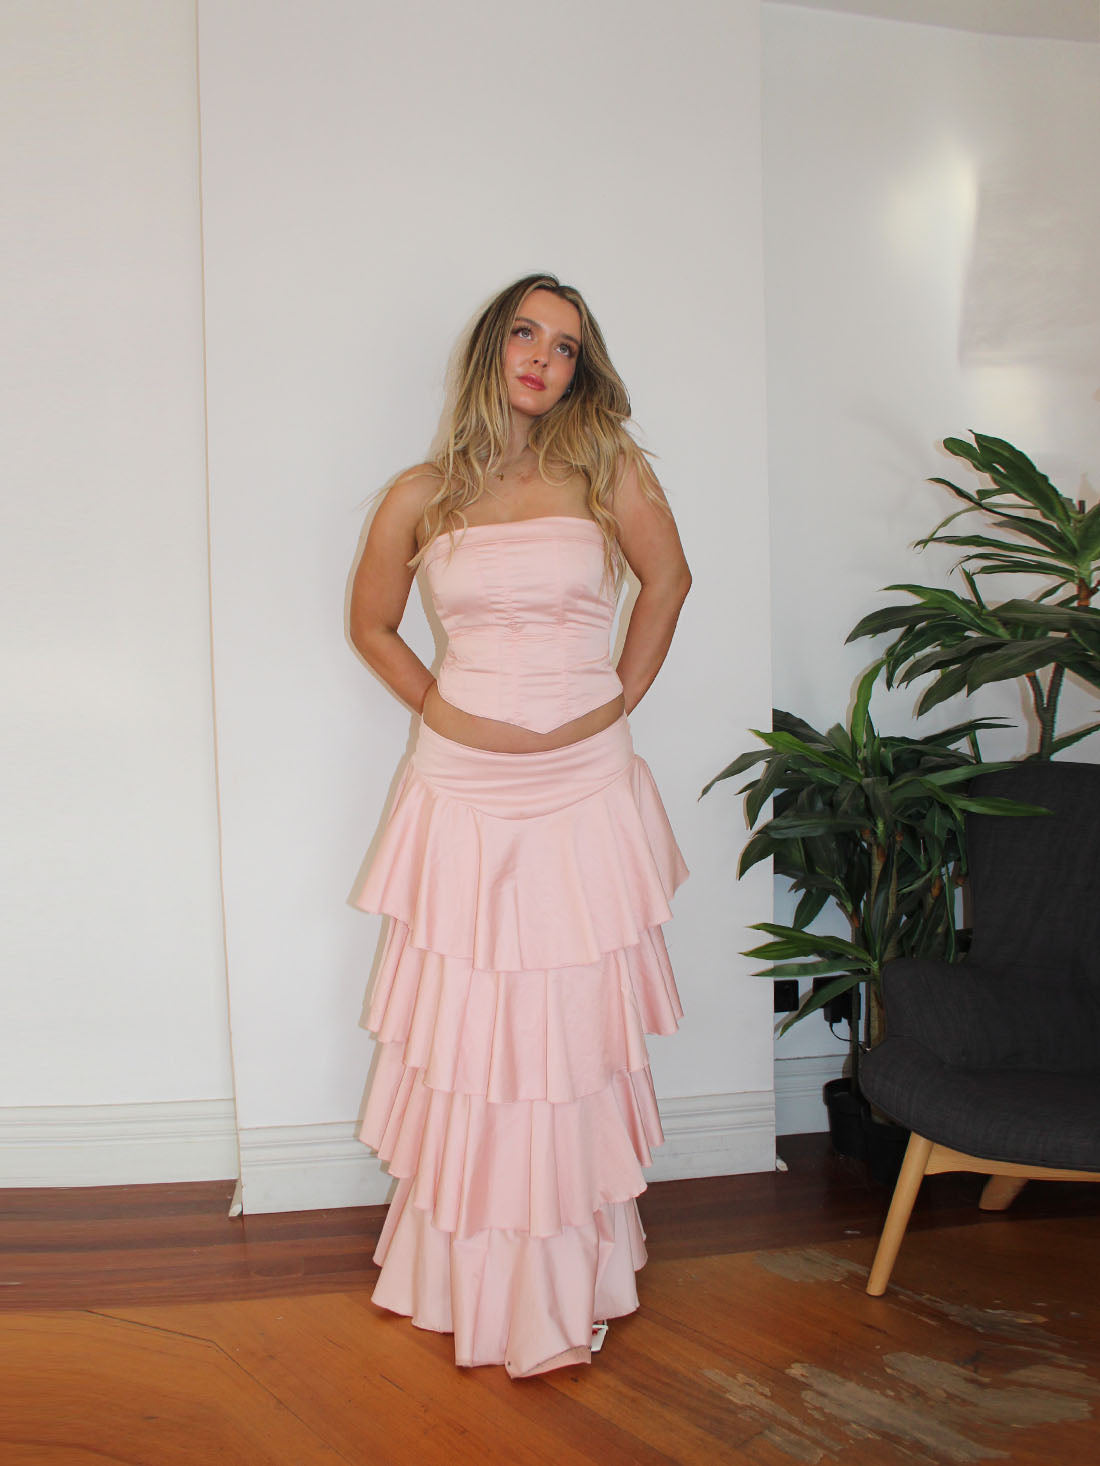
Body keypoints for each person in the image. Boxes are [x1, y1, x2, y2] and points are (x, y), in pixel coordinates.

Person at [348, 273, 691, 1378]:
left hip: (583, 778)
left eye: (566, 345)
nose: (543, 356)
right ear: (491, 348)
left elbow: (669, 579)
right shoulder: (420, 493)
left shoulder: (609, 471)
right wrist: (437, 707)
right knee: (470, 1022)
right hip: (465, 784)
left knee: (570, 1022)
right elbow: (370, 621)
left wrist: (619, 697)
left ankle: (569, 1275)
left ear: (581, 369)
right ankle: (463, 1277)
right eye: (526, 334)